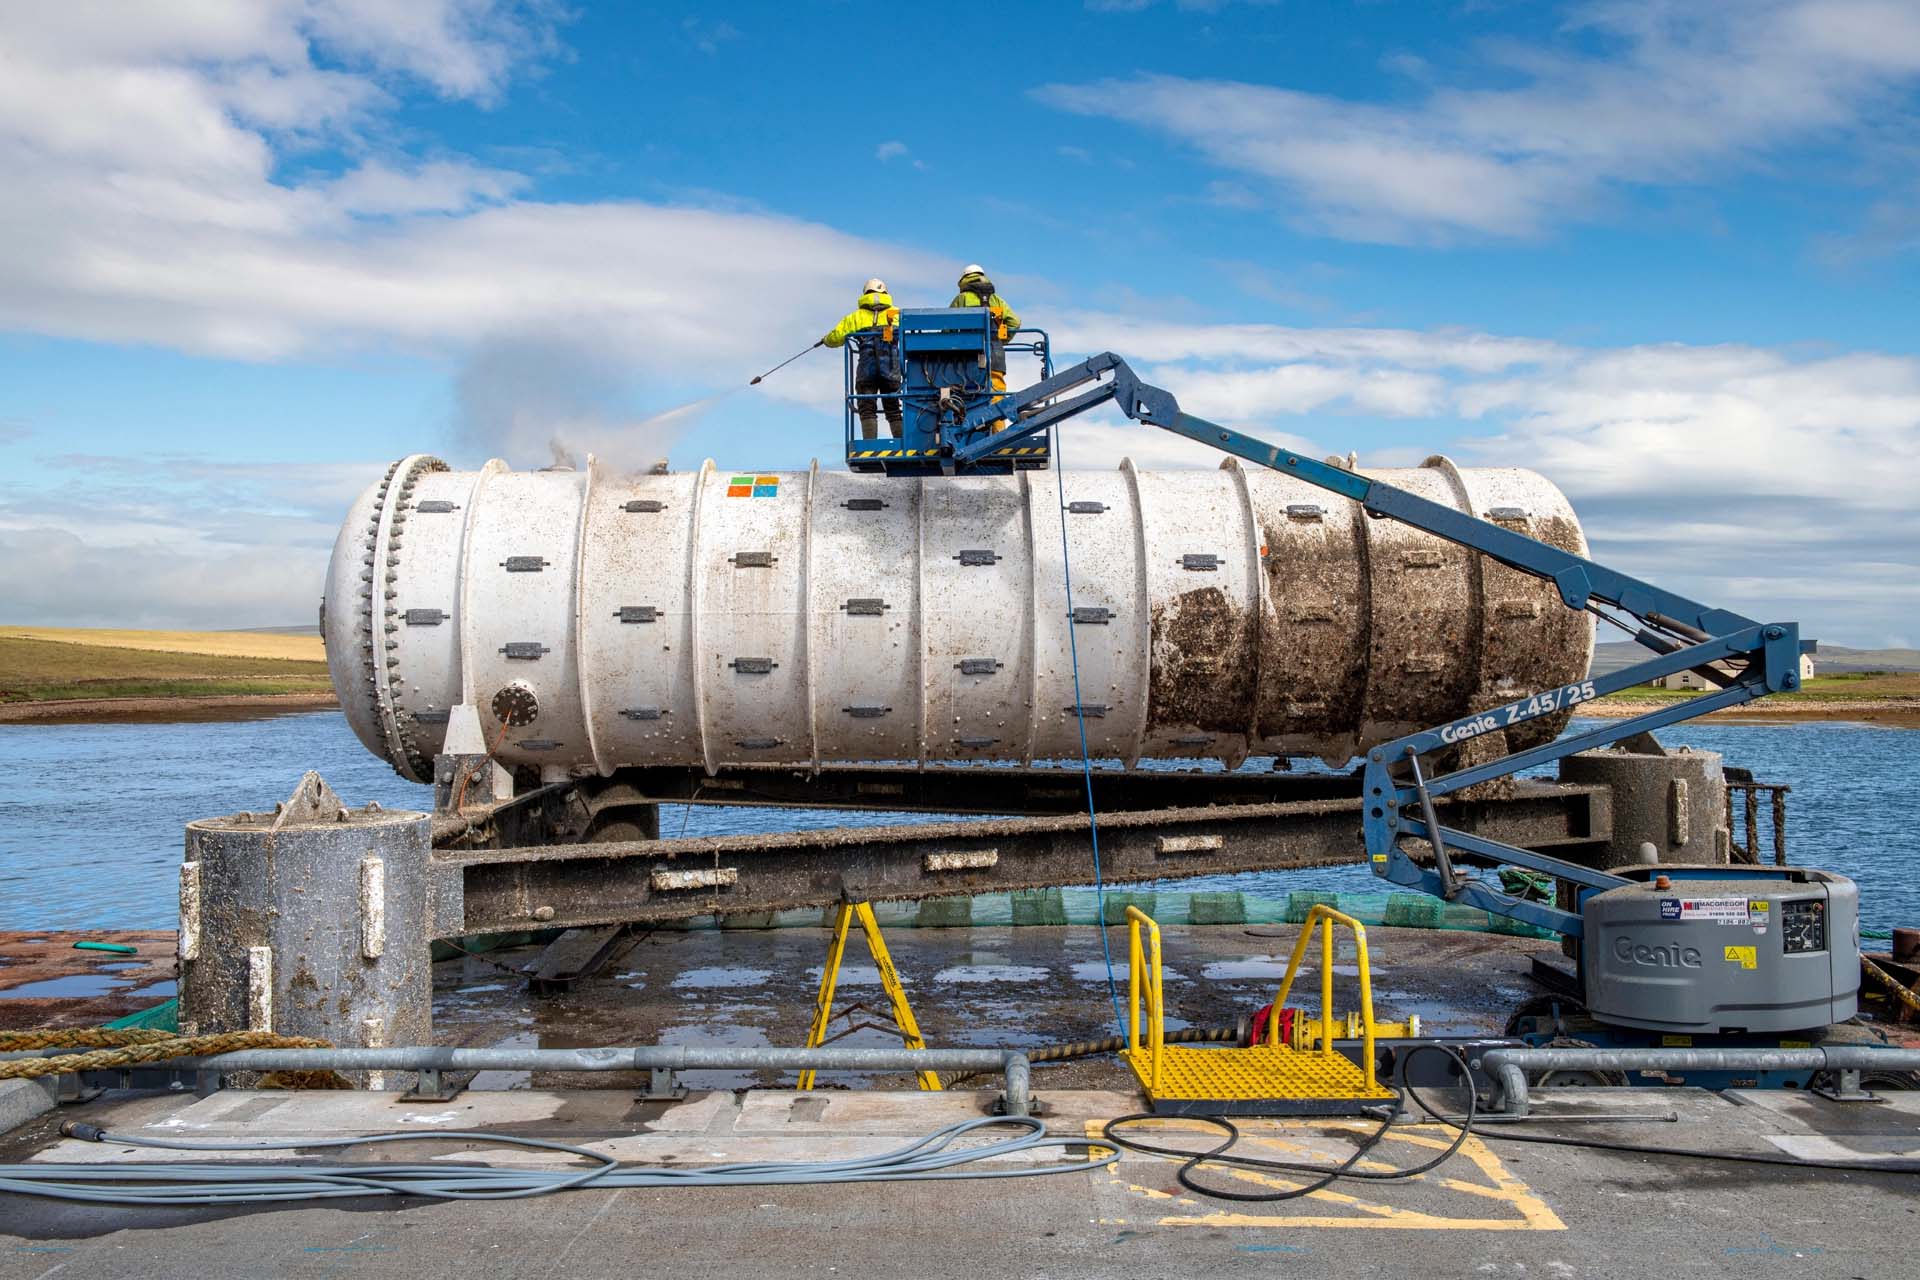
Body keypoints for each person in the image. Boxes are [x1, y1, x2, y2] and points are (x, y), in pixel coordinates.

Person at [821, 278, 903, 440]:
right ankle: (901, 442)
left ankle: (870, 444)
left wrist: (825, 340)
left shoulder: (855, 317)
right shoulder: (896, 314)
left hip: (867, 369)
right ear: (885, 293)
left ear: (865, 293)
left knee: (867, 407)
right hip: (891, 368)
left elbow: (835, 337)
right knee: (893, 409)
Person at [948, 264, 1021, 392]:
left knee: (967, 395)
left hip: (966, 357)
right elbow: (1014, 322)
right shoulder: (996, 300)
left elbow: (948, 326)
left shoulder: (961, 299)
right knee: (997, 397)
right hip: (995, 356)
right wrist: (1000, 340)